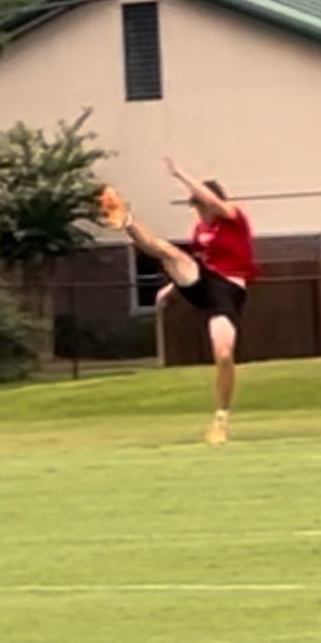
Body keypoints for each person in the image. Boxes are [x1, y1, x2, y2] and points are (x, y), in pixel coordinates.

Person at [100, 158, 257, 446]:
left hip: (228, 292)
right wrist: (171, 289)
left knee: (223, 354)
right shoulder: (199, 232)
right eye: (194, 207)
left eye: (200, 205)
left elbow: (212, 201)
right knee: (168, 252)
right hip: (203, 285)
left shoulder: (234, 218)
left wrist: (180, 174)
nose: (198, 212)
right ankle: (127, 221)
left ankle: (221, 418)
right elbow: (196, 264)